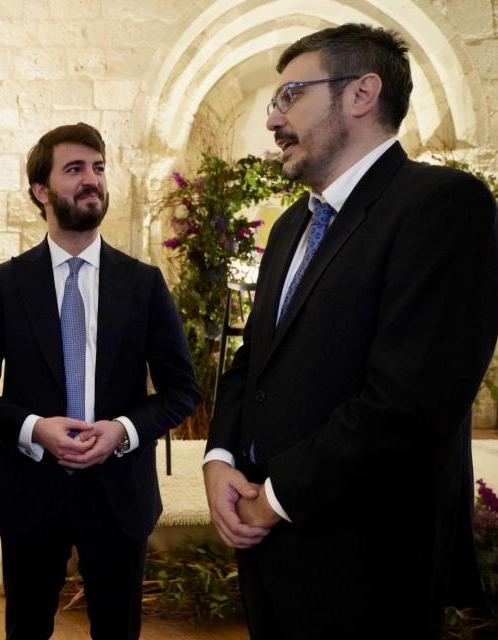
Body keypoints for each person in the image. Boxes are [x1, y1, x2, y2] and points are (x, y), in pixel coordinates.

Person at [203, 23, 498, 639]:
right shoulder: (290, 227)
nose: (272, 120)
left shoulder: (442, 206)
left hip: (368, 558)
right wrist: (220, 457)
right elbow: (254, 358)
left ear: (361, 94)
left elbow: (411, 403)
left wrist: (276, 497)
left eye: (290, 96)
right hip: (270, 554)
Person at [0, 122, 200, 639]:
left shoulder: (143, 284)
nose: (91, 180)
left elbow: (183, 390)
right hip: (29, 490)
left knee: (118, 631)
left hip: (118, 494)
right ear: (41, 191)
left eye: (97, 168)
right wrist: (31, 429)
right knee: (26, 629)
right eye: (74, 169)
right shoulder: (6, 285)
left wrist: (123, 431)